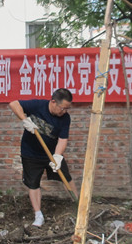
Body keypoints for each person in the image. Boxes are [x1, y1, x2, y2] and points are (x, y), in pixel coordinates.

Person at [9, 88, 79, 227]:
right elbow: (14, 104)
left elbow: (62, 139)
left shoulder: (65, 118)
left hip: (52, 154)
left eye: (67, 108)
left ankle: (79, 206)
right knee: (33, 183)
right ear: (53, 102)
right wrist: (25, 120)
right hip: (31, 153)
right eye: (62, 108)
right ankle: (38, 215)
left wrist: (58, 156)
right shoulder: (37, 105)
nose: (64, 111)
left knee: (66, 178)